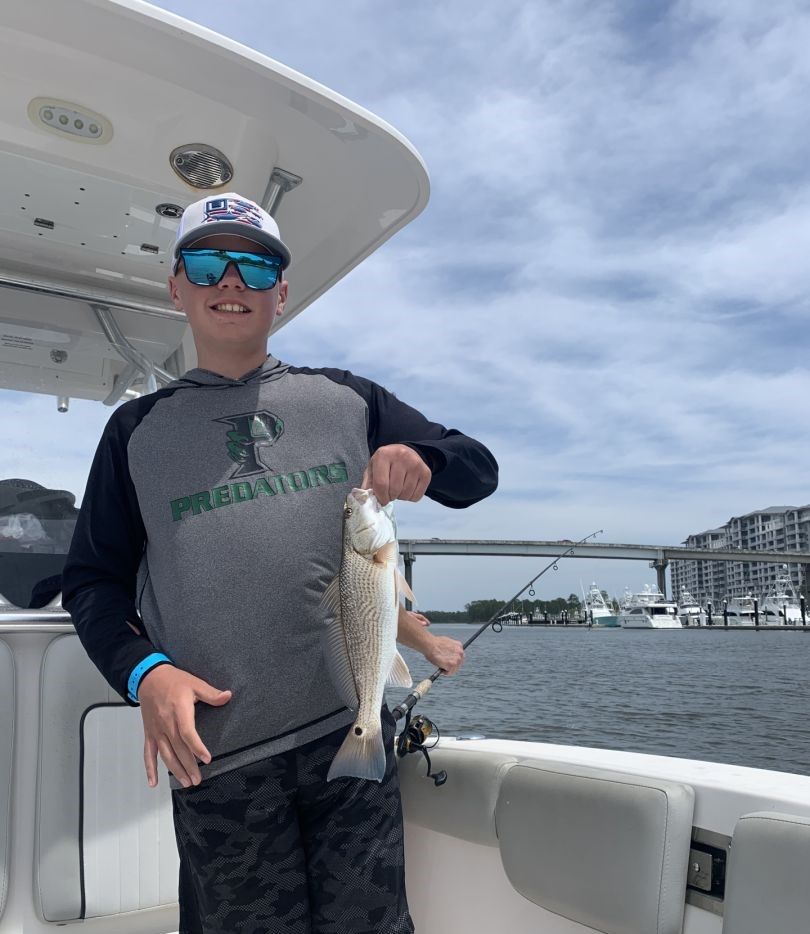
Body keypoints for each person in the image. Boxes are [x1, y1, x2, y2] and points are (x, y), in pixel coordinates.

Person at [62, 192, 498, 934]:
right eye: (207, 262)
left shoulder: (347, 400)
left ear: (281, 293)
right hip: (219, 759)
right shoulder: (134, 431)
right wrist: (146, 672)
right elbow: (92, 583)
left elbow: (476, 470)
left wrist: (423, 456)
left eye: (256, 267)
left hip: (348, 739)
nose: (231, 281)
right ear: (177, 286)